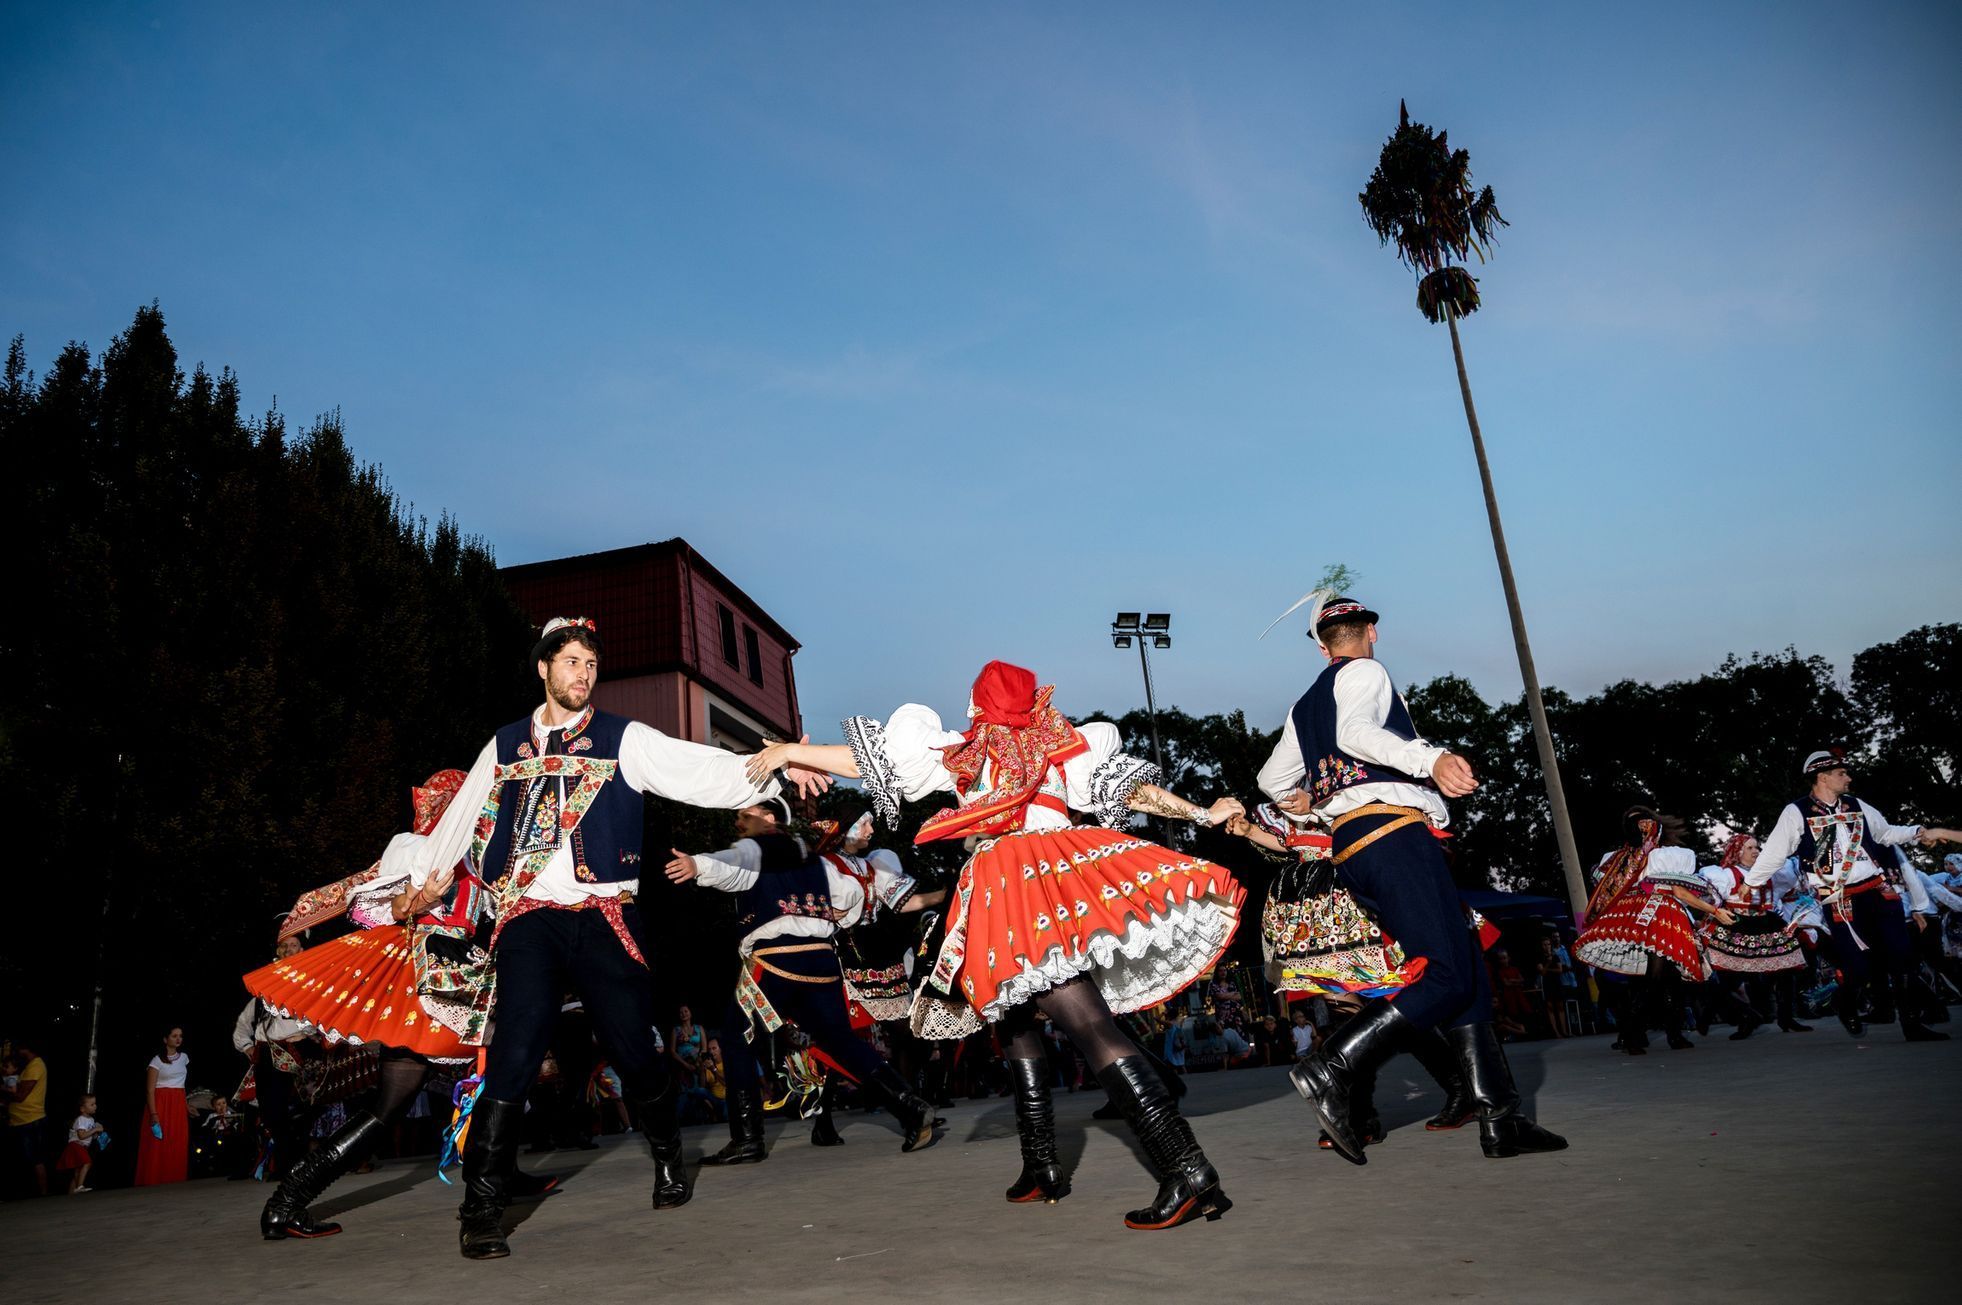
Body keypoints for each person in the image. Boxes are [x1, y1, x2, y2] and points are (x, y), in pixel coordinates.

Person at [747, 659, 1246, 1229]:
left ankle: (1186, 1169)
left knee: (1085, 1023)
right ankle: (1042, 1166)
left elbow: (867, 760)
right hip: (1057, 872)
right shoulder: (1061, 744)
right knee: (1013, 1016)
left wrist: (789, 753)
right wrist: (1202, 812)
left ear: (978, 704)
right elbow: (1135, 789)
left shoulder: (967, 747)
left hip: (1012, 882)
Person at [386, 617, 824, 1259]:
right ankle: (481, 1205)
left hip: (604, 917)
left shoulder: (624, 738)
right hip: (529, 917)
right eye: (569, 663)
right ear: (543, 668)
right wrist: (422, 889)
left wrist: (779, 763)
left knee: (636, 1054)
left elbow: (700, 771)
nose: (582, 675)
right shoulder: (504, 746)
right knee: (515, 1048)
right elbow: (458, 821)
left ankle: (669, 1152)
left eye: (589, 665)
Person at [1258, 591, 1564, 1163]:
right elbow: (1354, 734)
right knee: (1448, 975)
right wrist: (1432, 759)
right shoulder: (1367, 670)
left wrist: (1306, 799)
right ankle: (1333, 1066)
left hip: (1356, 845)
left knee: (1467, 972)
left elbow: (1271, 779)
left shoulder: (1304, 706)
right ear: (1372, 629)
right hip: (1392, 834)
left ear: (1321, 643)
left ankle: (1500, 1118)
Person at [242, 770, 566, 1241]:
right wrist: (410, 904)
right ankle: (287, 1201)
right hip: (429, 978)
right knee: (467, 1082)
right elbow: (365, 909)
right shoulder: (415, 847)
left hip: (467, 974)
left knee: (477, 1080)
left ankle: (286, 1203)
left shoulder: (480, 858)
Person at [668, 798, 942, 1163]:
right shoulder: (817, 861)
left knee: (735, 1036)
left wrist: (695, 864)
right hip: (822, 961)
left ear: (767, 818)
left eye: (743, 816)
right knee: (840, 1040)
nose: (739, 823)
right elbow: (853, 897)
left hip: (776, 961)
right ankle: (909, 1106)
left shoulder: (757, 847)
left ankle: (748, 1138)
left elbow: (731, 865)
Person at [1741, 749, 1961, 1042]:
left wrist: (1918, 831)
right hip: (1840, 900)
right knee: (1860, 967)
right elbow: (1774, 854)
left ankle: (1913, 1026)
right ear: (1823, 777)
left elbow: (1886, 834)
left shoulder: (1857, 805)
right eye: (1841, 773)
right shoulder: (1796, 812)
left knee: (1902, 956)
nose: (1848, 777)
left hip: (1878, 891)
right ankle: (1844, 1002)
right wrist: (1751, 883)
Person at [1576, 808, 1735, 1053]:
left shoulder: (1627, 858)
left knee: (1666, 978)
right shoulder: (1638, 857)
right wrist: (1714, 911)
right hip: (1660, 915)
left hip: (1635, 917)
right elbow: (1679, 893)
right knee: (1656, 979)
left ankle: (1667, 1034)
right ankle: (1635, 1032)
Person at [1699, 833, 1811, 1037]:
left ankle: (1786, 1018)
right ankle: (1740, 1017)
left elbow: (1789, 882)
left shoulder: (1770, 873)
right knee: (1729, 978)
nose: (1756, 851)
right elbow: (1709, 899)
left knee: (1785, 970)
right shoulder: (1725, 874)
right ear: (1737, 851)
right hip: (1738, 925)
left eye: (1757, 848)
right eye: (1750, 848)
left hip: (1767, 923)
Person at [134, 1027, 192, 1186]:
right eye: (174, 1036)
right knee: (158, 1142)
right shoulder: (156, 1061)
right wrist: (153, 1114)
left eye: (180, 1036)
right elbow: (149, 1090)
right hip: (160, 1103)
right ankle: (154, 1179)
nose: (178, 1039)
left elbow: (182, 1085)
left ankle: (174, 1178)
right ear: (165, 1039)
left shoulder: (184, 1057)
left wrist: (186, 1105)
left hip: (178, 1102)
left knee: (177, 1140)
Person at [6, 1042, 50, 1197]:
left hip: (30, 1119)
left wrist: (4, 1089)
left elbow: (20, 1095)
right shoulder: (29, 1066)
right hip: (20, 1119)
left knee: (34, 1158)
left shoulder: (36, 1066)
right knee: (27, 1158)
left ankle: (41, 1193)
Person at [59, 1095, 105, 1193]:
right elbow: (82, 1136)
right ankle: (79, 1186)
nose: (95, 1106)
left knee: (78, 1170)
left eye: (95, 1104)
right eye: (92, 1104)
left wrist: (98, 1134)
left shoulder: (91, 1120)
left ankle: (71, 1194)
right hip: (76, 1145)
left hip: (82, 1147)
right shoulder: (81, 1119)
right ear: (82, 1109)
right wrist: (95, 1129)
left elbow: (92, 1136)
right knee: (87, 1163)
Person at [1536, 937, 1571, 1039]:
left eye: (1548, 944)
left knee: (1560, 1006)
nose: (1547, 947)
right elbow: (1542, 972)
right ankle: (1556, 1032)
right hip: (1547, 984)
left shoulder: (1555, 957)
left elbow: (1559, 970)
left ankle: (1564, 1031)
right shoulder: (1539, 958)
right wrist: (1547, 963)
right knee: (1550, 1007)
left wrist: (1548, 969)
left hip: (1556, 983)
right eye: (1544, 944)